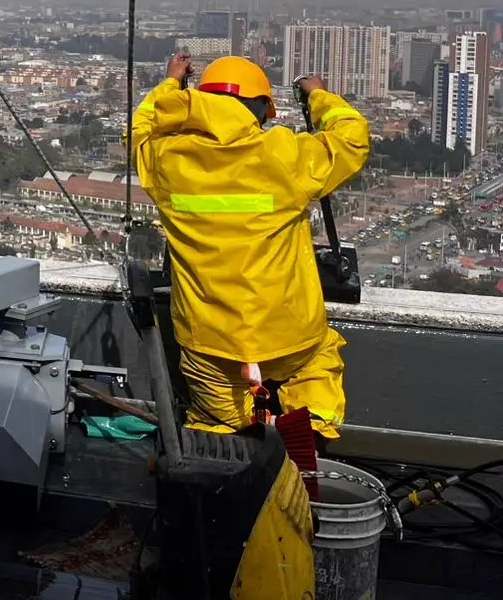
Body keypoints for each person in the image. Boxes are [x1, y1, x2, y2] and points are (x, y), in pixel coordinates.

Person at [130, 52, 370, 446]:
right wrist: (319, 97)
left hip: (209, 344)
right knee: (316, 373)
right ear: (262, 109)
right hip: (290, 337)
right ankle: (308, 445)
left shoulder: (166, 160)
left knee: (218, 430)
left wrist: (171, 84)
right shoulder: (284, 154)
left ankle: (223, 476)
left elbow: (141, 130)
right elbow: (352, 139)